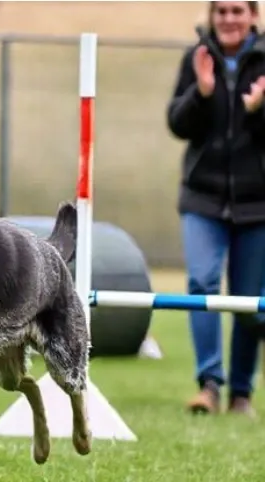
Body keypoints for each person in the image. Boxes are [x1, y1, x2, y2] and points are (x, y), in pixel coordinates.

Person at [167, 1, 265, 417]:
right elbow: (177, 123)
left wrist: (258, 110)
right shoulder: (197, 58)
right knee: (202, 284)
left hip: (257, 204)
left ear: (253, 17)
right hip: (203, 199)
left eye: (236, 11)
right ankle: (209, 384)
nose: (228, 19)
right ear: (212, 17)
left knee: (248, 301)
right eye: (221, 11)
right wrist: (201, 94)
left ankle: (241, 393)